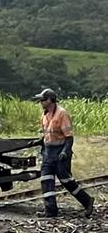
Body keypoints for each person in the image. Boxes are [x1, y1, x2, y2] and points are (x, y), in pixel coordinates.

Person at [34, 88, 94, 218]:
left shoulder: (62, 114)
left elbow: (69, 137)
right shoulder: (44, 115)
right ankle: (50, 210)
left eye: (43, 100)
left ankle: (87, 201)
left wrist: (65, 152)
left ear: (50, 100)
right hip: (48, 152)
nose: (41, 102)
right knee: (46, 180)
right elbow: (47, 135)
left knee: (66, 180)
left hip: (60, 152)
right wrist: (39, 142)